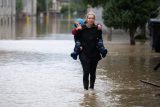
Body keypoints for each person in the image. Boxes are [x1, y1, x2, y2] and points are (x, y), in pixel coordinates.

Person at [75, 11, 107, 91]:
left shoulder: (97, 28)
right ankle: (86, 91)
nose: (91, 20)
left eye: (92, 18)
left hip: (94, 53)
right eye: (89, 18)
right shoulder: (81, 28)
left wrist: (101, 46)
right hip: (84, 53)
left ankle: (92, 89)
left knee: (92, 73)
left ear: (94, 19)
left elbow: (100, 38)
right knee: (86, 72)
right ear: (87, 19)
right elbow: (76, 38)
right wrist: (79, 45)